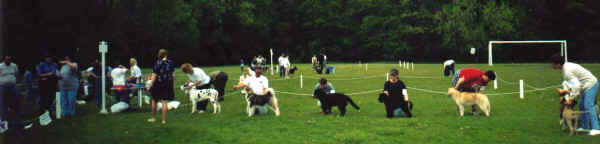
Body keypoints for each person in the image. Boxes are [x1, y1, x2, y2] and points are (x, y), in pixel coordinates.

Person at [551, 54, 600, 136]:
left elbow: (576, 85)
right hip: (584, 86)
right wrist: (566, 92)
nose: (551, 66)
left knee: (588, 105)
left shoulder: (567, 71)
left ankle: (596, 128)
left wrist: (571, 99)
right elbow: (573, 85)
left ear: (558, 64)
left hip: (591, 84)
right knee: (581, 105)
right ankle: (584, 127)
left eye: (553, 64)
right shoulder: (565, 69)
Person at [147, 49, 175, 124]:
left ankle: (153, 118)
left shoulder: (157, 63)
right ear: (166, 55)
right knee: (164, 101)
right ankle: (163, 120)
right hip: (168, 84)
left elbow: (154, 75)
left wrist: (150, 84)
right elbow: (173, 75)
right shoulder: (171, 62)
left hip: (157, 84)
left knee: (154, 101)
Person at [37, 56, 58, 123]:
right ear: (45, 58)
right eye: (47, 58)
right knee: (44, 99)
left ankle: (50, 113)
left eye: (50, 58)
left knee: (51, 98)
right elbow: (39, 74)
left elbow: (56, 72)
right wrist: (48, 74)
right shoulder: (41, 64)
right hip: (44, 84)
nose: (49, 59)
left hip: (52, 84)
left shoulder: (54, 64)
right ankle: (42, 113)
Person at [0, 56, 19, 123]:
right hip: (3, 86)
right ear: (4, 59)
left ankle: (16, 117)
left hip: (12, 86)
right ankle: (4, 118)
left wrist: (13, 80)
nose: (8, 60)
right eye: (7, 59)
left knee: (15, 101)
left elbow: (16, 74)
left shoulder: (14, 65)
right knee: (3, 102)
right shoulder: (0, 66)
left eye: (9, 59)